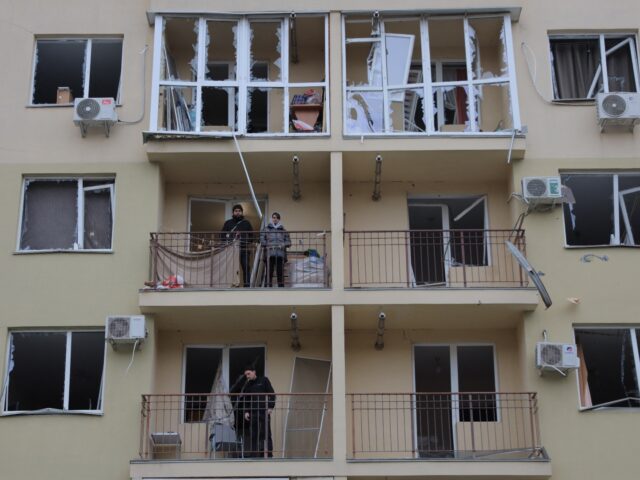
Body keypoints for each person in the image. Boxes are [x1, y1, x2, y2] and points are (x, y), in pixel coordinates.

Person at [235, 365, 275, 458]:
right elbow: (246, 400)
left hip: (264, 412)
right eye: (246, 375)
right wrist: (246, 412)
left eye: (248, 374)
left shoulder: (264, 380)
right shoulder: (248, 385)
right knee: (253, 434)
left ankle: (268, 454)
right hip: (253, 413)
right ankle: (254, 454)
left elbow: (272, 394)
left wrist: (270, 407)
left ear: (254, 372)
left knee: (266, 433)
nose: (247, 376)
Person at [222, 204, 255, 287]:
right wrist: (227, 243)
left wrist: (246, 242)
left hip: (244, 248)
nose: (238, 213)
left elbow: (252, 236)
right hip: (231, 250)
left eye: (239, 211)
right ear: (233, 212)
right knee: (231, 268)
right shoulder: (228, 223)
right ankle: (230, 285)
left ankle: (247, 286)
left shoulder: (246, 223)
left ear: (242, 212)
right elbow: (222, 235)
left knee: (246, 268)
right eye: (236, 211)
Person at [260, 212, 291, 287]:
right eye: (273, 217)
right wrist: (268, 245)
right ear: (271, 219)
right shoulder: (266, 229)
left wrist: (283, 244)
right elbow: (262, 240)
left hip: (280, 254)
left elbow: (288, 242)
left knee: (280, 273)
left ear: (279, 219)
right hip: (269, 253)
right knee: (269, 272)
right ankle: (268, 288)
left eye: (277, 218)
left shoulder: (284, 230)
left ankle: (281, 289)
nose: (275, 219)